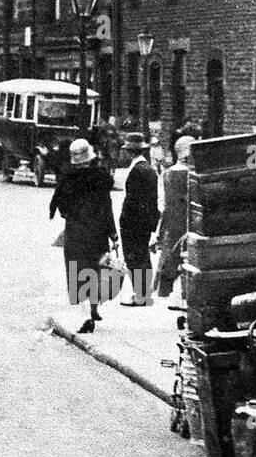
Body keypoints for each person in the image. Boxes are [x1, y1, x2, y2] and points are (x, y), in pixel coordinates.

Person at [50, 138, 120, 334]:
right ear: (90, 157)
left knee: (77, 272)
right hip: (97, 232)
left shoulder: (67, 178)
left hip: (76, 231)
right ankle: (94, 309)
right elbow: (107, 207)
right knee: (96, 270)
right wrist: (113, 233)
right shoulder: (101, 177)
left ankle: (85, 316)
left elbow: (60, 207)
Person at [119, 131, 159, 306]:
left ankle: (140, 295)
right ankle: (142, 293)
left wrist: (126, 220)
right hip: (144, 221)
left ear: (129, 152)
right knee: (142, 256)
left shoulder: (137, 171)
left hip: (134, 222)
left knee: (134, 257)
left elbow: (133, 199)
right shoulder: (149, 169)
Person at [154, 135, 195, 302]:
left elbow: (163, 204)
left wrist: (159, 231)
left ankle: (165, 288)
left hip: (173, 222)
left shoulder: (167, 174)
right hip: (192, 221)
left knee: (170, 255)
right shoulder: (194, 174)